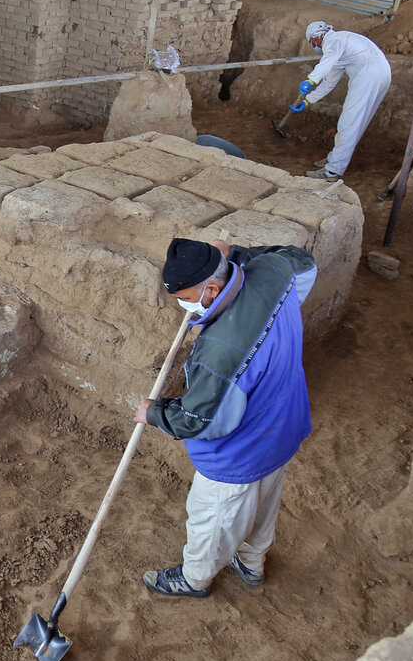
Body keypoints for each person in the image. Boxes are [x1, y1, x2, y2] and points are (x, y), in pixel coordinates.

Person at [134, 236, 317, 598]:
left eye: (186, 299)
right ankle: (251, 562)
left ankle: (195, 579)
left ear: (212, 289)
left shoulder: (220, 352)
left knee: (214, 517)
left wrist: (153, 412)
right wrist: (232, 255)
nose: (184, 308)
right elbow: (303, 261)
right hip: (283, 423)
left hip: (240, 452)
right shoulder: (274, 270)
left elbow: (200, 421)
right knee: (264, 503)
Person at [293, 21, 392, 181]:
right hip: (382, 72)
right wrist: (308, 101)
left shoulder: (334, 41)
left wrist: (311, 80)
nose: (313, 46)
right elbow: (329, 82)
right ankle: (335, 158)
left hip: (369, 73)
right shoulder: (339, 51)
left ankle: (332, 171)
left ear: (316, 38)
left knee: (349, 122)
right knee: (357, 122)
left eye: (311, 43)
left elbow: (325, 62)